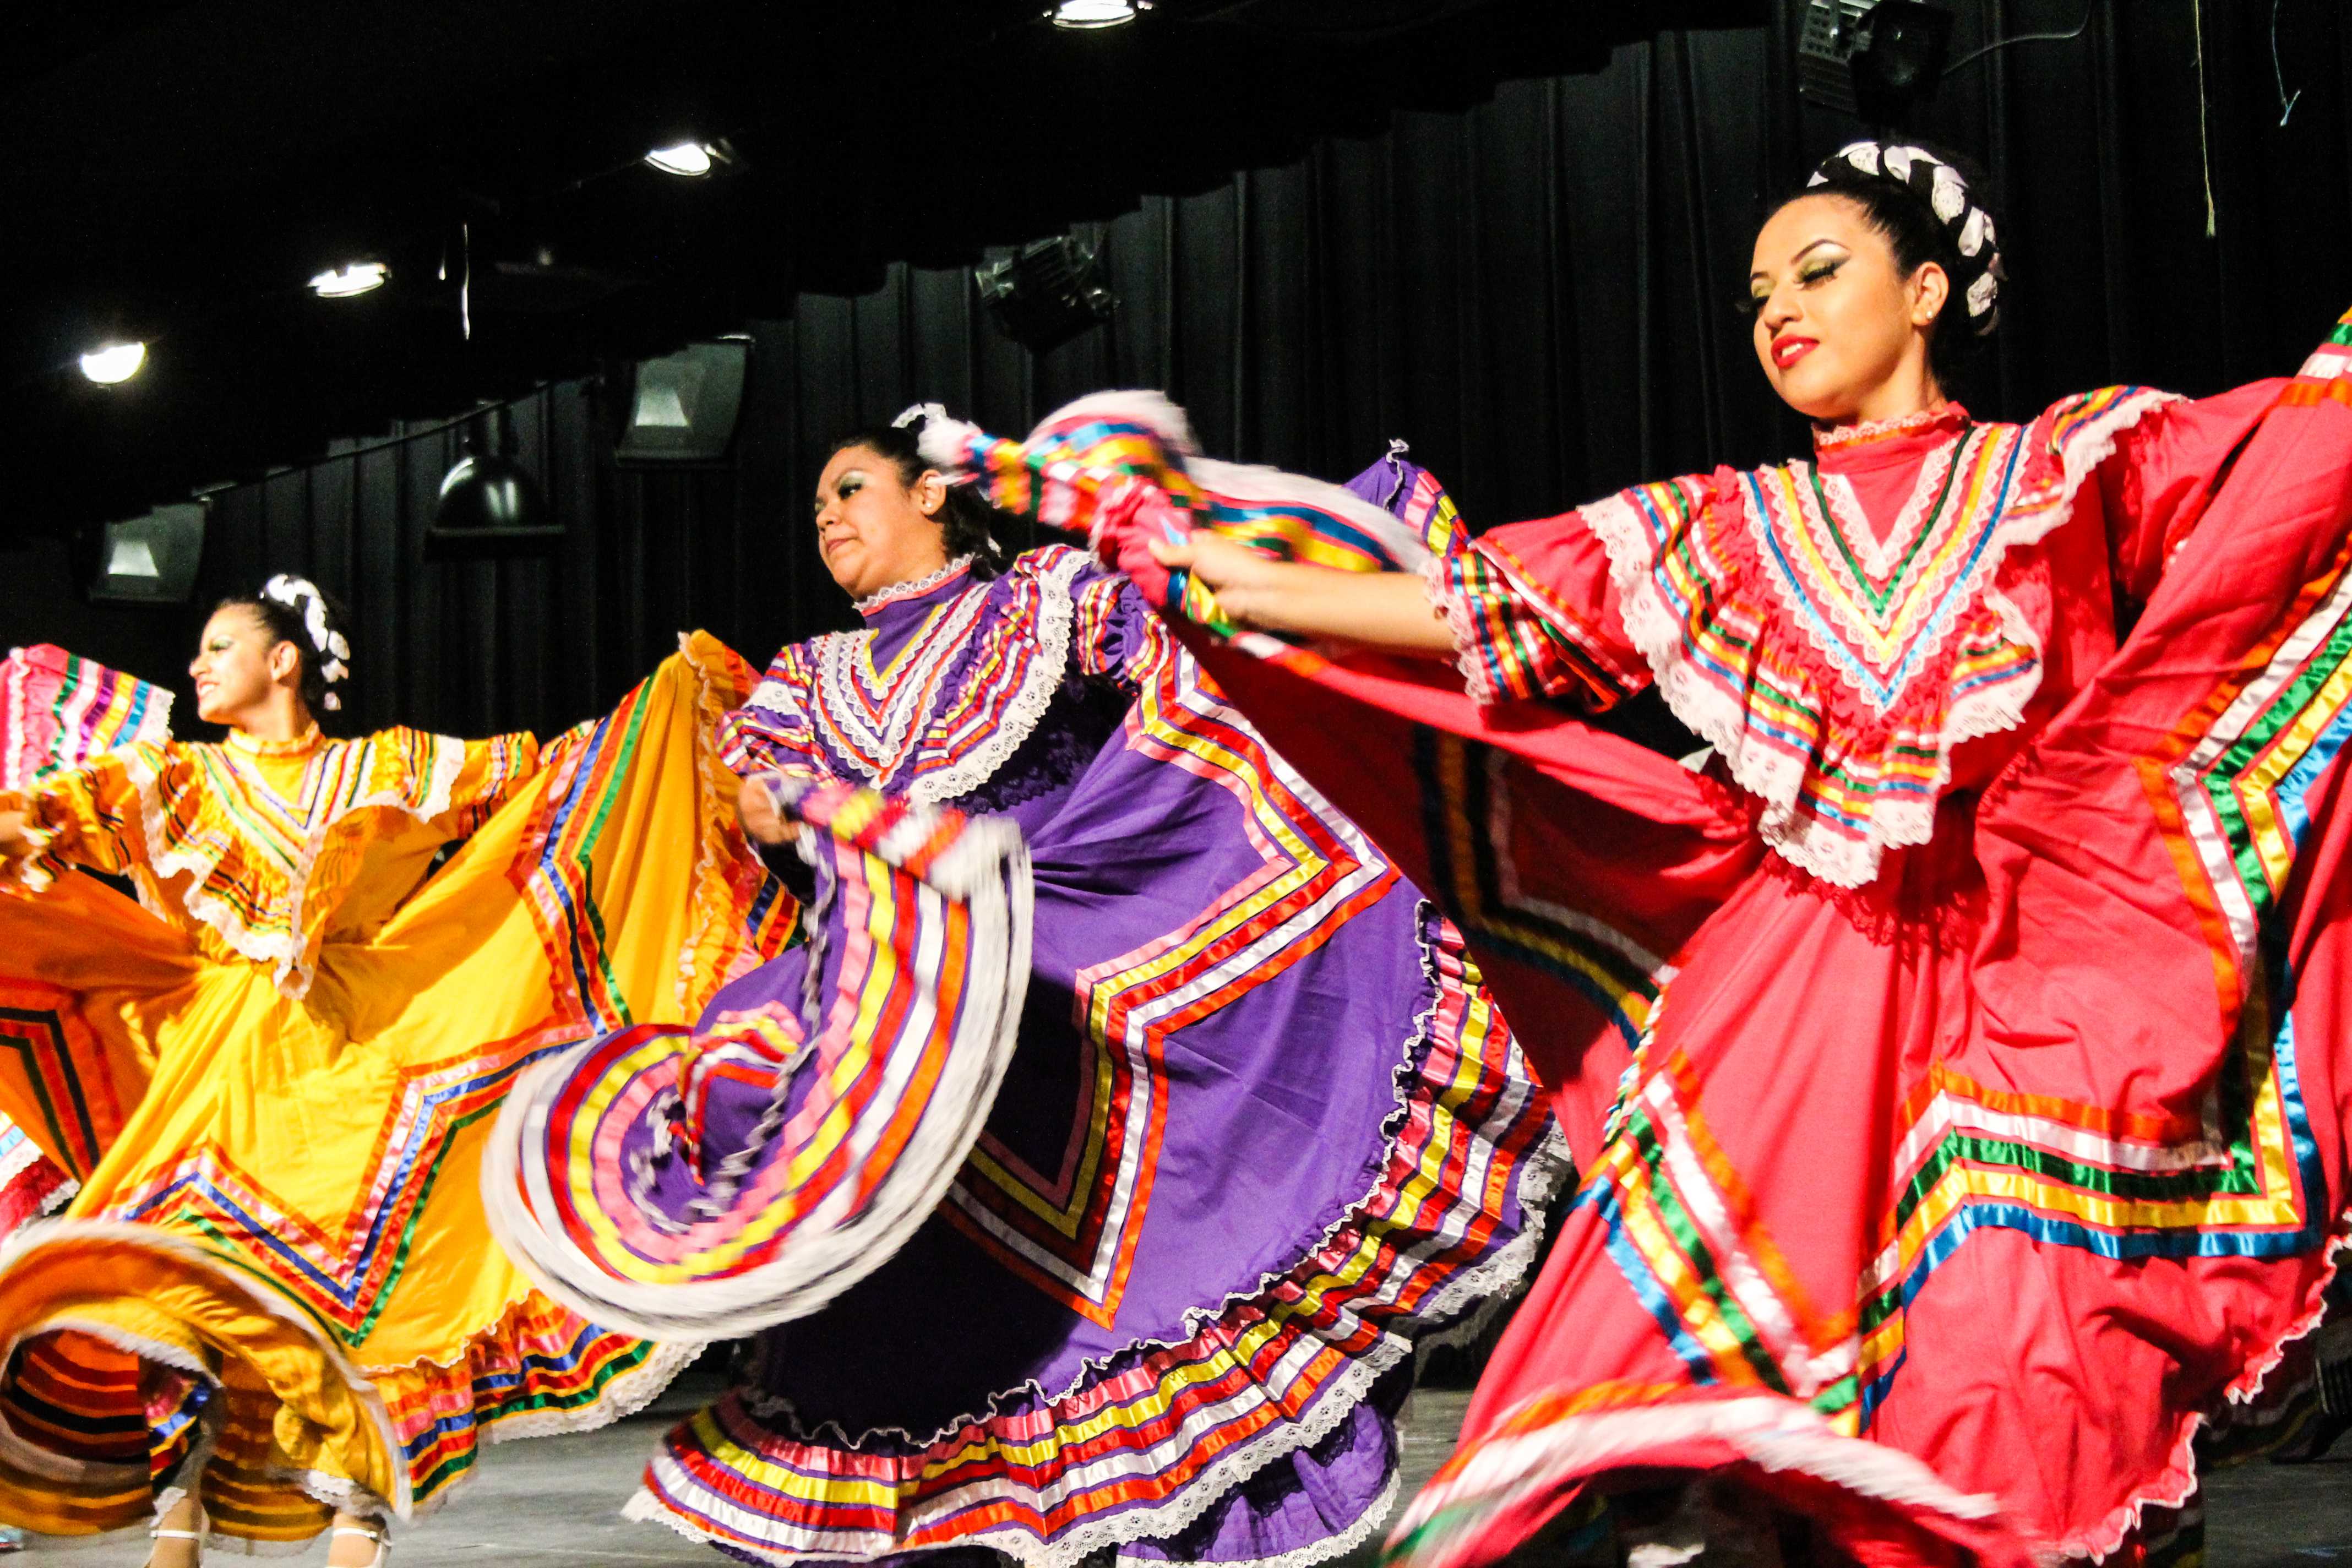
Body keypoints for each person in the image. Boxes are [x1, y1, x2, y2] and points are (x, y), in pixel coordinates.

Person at [914, 140, 2352, 1566]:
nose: (1779, 307)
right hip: (1804, 1001)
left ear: (1927, 292)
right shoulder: (1721, 529)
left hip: (2031, 991)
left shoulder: (2076, 463)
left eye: (1819, 270)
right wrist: (1209, 570)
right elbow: (1468, 608)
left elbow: (2292, 475)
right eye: (1755, 292)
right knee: (1726, 1359)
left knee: (2027, 1367)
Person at [485, 409, 1570, 1567]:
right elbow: (759, 800)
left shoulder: (1046, 597)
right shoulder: (811, 674)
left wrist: (1303, 567)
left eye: (850, 489)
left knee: (1151, 1214)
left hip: (1066, 935)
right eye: (816, 507)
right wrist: (849, 821)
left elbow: (1191, 657)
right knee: (767, 1060)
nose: (828, 517)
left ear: (933, 495)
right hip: (899, 986)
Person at [0, 578, 781, 1564]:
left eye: (219, 645)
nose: (197, 664)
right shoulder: (177, 779)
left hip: (365, 1068)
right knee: (196, 1284)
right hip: (221, 1069)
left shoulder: (389, 764)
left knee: (363, 1295)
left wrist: (662, 709)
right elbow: (57, 812)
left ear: (283, 662)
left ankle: (355, 1521)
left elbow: (539, 777)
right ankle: (184, 1511)